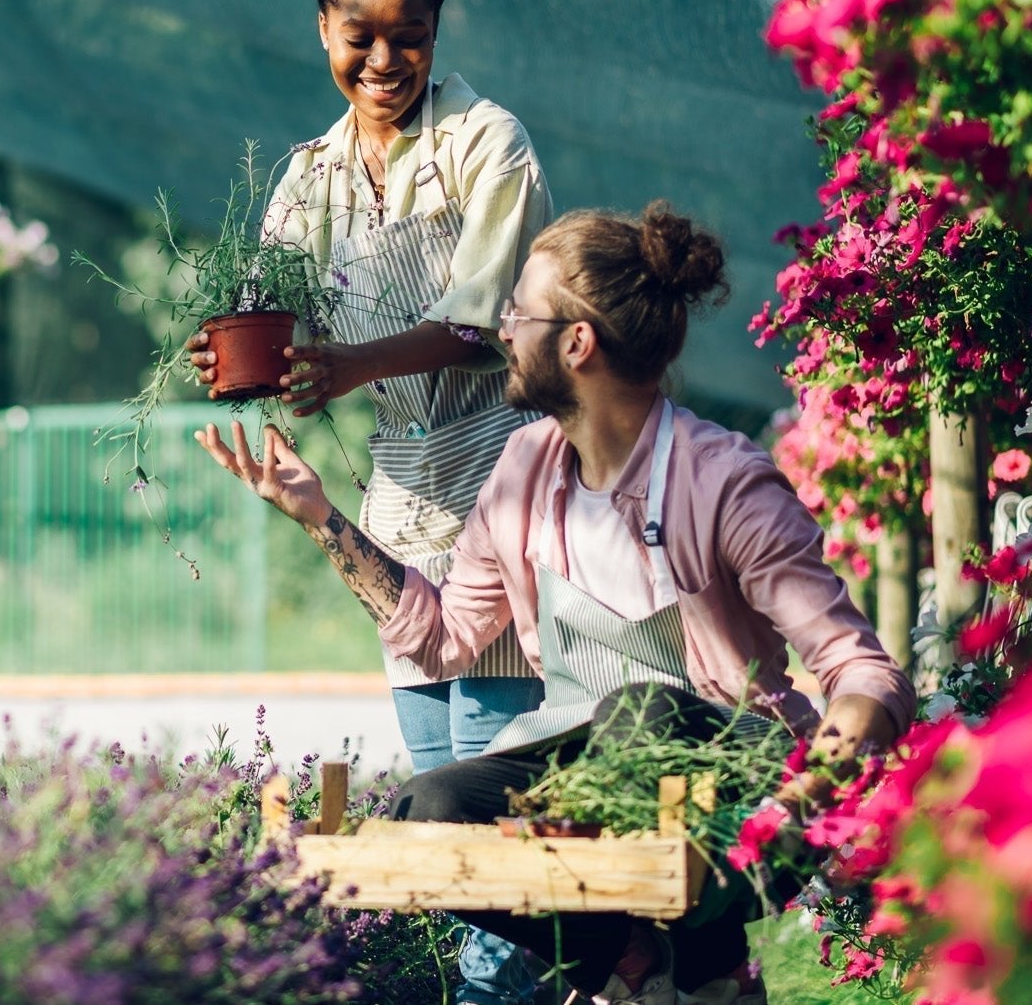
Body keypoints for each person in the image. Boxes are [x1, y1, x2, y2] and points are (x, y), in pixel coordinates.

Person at [197, 202, 912, 1004]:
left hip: (735, 787)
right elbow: (445, 638)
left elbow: (863, 671)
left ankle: (707, 958)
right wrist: (318, 515)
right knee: (430, 804)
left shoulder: (724, 481)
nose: (501, 329)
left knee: (640, 711)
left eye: (518, 313)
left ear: (577, 343)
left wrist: (802, 799)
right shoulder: (524, 469)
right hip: (584, 772)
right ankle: (634, 962)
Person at [186, 0, 552, 1003]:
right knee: (433, 779)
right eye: (359, 36)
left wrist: (345, 365)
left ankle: (500, 989)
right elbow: (268, 307)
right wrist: (232, 358)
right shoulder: (309, 175)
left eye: (410, 37)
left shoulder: (487, 143)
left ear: (438, 32)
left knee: (491, 795)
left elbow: (481, 321)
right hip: (397, 504)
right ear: (322, 30)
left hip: (502, 484)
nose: (383, 62)